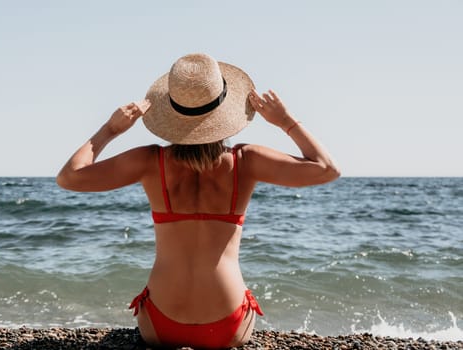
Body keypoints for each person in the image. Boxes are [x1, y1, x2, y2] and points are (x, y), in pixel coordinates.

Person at [57, 53, 340, 348]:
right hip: (227, 326)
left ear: (171, 114)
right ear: (224, 110)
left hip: (160, 324)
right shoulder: (246, 161)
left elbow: (69, 177)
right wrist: (285, 121)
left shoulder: (150, 161)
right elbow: (328, 169)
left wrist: (111, 130)